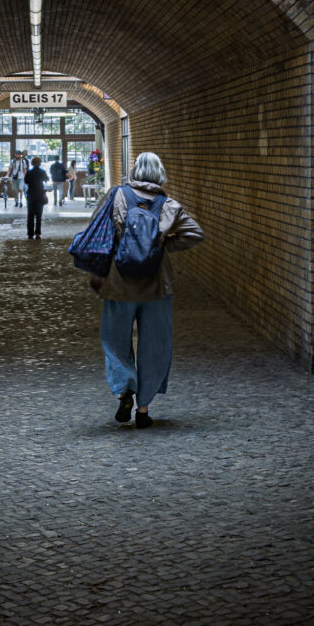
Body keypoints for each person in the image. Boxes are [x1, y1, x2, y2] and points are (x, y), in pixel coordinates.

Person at [88, 152, 203, 428]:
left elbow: (96, 231)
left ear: (135, 171)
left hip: (118, 282)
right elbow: (194, 234)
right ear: (160, 174)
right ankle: (143, 410)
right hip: (156, 285)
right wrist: (162, 246)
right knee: (155, 345)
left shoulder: (115, 196)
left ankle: (125, 388)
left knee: (115, 341)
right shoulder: (169, 205)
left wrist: (98, 270)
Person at [24, 156, 49, 239]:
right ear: (40, 163)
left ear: (32, 163)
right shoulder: (42, 171)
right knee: (39, 215)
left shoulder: (29, 172)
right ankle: (37, 233)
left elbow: (26, 181)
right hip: (40, 194)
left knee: (30, 215)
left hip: (31, 194)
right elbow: (47, 179)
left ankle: (30, 233)